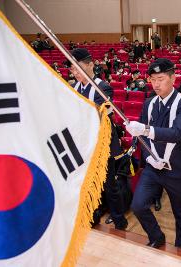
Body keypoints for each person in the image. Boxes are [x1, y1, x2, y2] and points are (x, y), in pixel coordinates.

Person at [126, 58, 181, 249]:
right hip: (154, 166)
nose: (156, 84)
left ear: (173, 78)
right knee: (138, 205)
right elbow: (142, 138)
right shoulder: (149, 103)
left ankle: (180, 247)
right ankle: (157, 236)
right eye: (152, 79)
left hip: (176, 169)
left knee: (180, 213)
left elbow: (176, 133)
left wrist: (144, 129)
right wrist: (149, 155)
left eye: (160, 78)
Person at [69, 48, 128, 230]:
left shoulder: (102, 87)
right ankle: (93, 216)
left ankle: (120, 220)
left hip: (102, 145)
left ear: (90, 65)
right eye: (72, 69)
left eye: (78, 67)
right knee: (88, 184)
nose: (75, 72)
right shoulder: (74, 87)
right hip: (83, 144)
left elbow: (99, 114)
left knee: (109, 185)